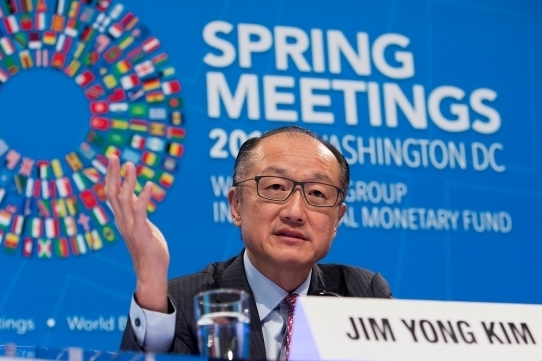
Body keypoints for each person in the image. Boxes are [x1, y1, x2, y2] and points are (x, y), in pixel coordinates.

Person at [105, 125, 392, 359]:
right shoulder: (185, 302)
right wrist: (150, 279)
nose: (294, 212)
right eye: (276, 187)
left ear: (337, 219)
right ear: (237, 206)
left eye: (317, 194)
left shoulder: (363, 296)